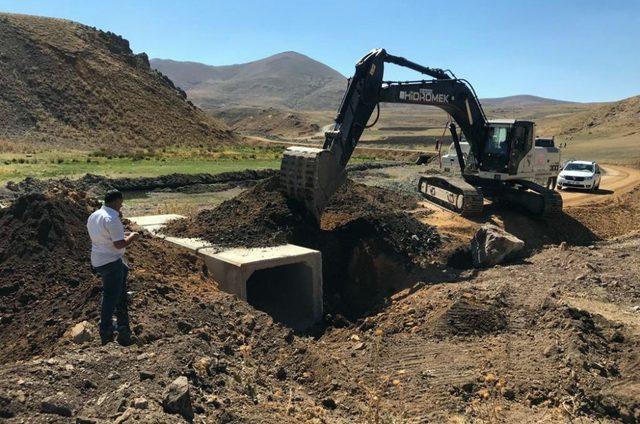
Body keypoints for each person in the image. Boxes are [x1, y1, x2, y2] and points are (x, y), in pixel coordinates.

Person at [86, 190, 139, 345]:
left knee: (124, 269)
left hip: (98, 258)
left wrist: (122, 234)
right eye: (121, 203)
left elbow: (105, 237)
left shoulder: (95, 215)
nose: (121, 206)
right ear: (116, 201)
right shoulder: (112, 218)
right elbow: (119, 244)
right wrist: (132, 237)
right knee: (109, 296)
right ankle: (106, 328)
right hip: (110, 261)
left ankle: (121, 298)